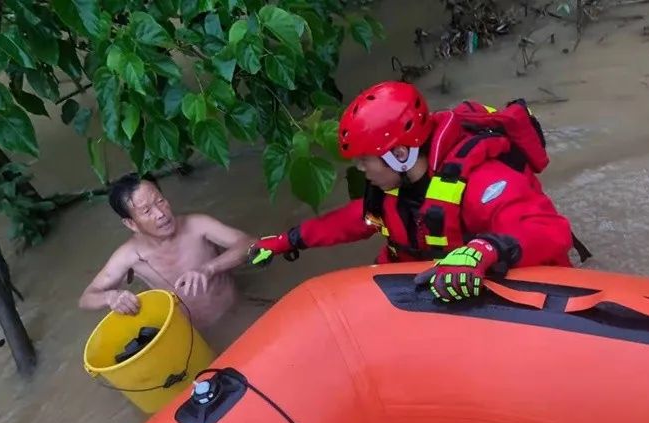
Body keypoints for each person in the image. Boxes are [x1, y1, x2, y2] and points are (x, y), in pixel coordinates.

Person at [248, 81, 590, 303]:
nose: (361, 170)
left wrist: (481, 251)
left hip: (509, 289)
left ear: (399, 154)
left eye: (366, 161)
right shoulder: (394, 186)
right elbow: (359, 219)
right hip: (431, 288)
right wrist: (288, 240)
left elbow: (550, 230)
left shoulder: (484, 181)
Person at [79, 173, 255, 331]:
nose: (160, 214)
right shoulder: (128, 256)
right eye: (147, 211)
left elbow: (252, 243)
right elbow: (87, 298)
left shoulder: (197, 225)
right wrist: (111, 297)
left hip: (238, 315)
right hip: (196, 336)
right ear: (131, 224)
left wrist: (209, 268)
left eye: (160, 201)